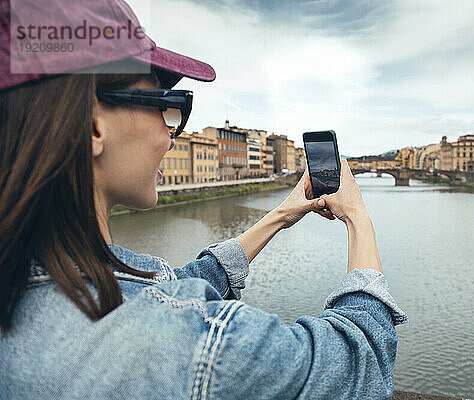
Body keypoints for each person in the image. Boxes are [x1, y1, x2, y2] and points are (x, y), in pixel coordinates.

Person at [0, 0, 407, 399]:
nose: (170, 133)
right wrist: (358, 218)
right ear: (92, 126)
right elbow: (361, 365)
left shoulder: (29, 282)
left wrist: (280, 216)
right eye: (167, 107)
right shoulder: (175, 342)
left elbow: (172, 286)